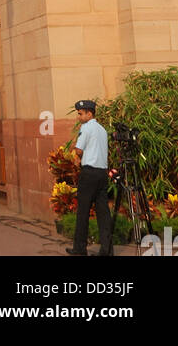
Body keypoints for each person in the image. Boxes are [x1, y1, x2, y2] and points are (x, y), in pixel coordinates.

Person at [68, 99, 112, 257]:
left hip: (89, 173)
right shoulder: (102, 129)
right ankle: (106, 250)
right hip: (102, 173)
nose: (79, 117)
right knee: (103, 213)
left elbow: (79, 150)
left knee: (83, 211)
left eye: (80, 114)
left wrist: (75, 149)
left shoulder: (86, 128)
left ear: (89, 113)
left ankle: (80, 248)